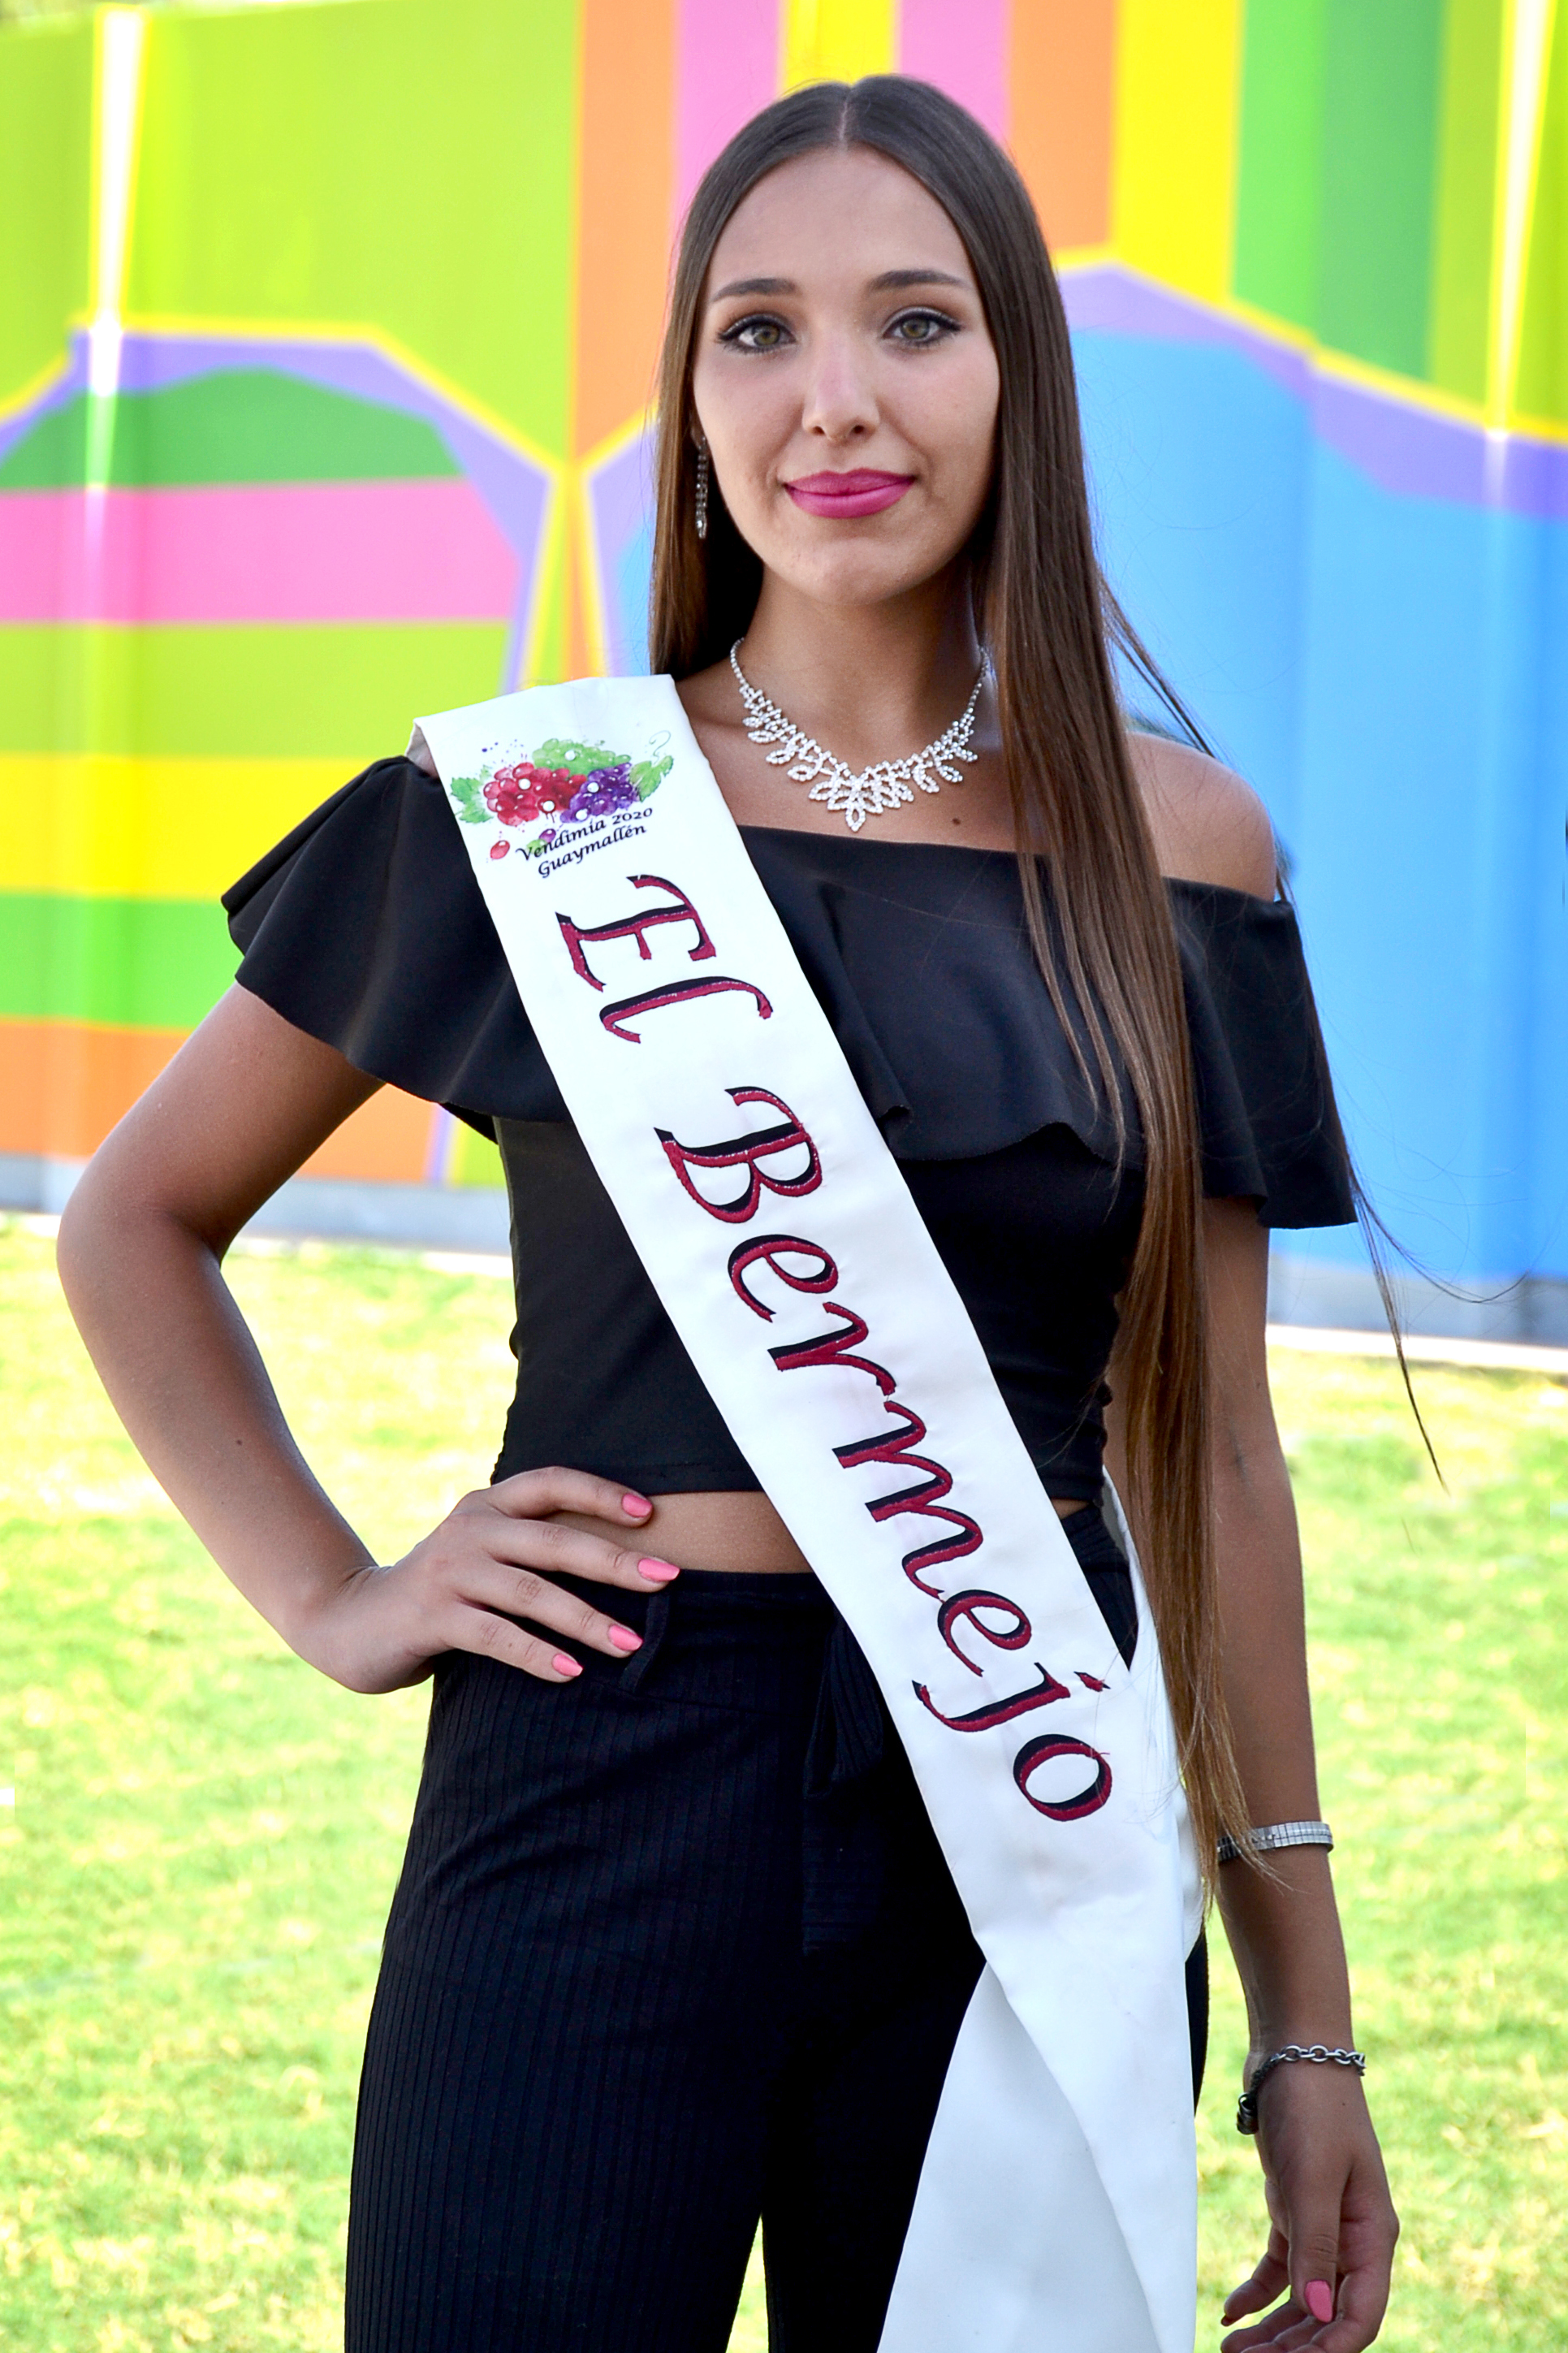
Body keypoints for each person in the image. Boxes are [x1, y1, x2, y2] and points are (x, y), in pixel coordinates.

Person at [58, 76, 1397, 2353]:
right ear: (687, 398)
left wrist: (1307, 2023)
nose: (834, 400)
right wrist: (339, 1595)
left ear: (1020, 378)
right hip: (593, 1767)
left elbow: (1210, 1456)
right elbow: (133, 1221)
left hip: (1018, 1796)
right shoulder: (535, 809)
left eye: (916, 322)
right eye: (757, 331)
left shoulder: (1182, 851)